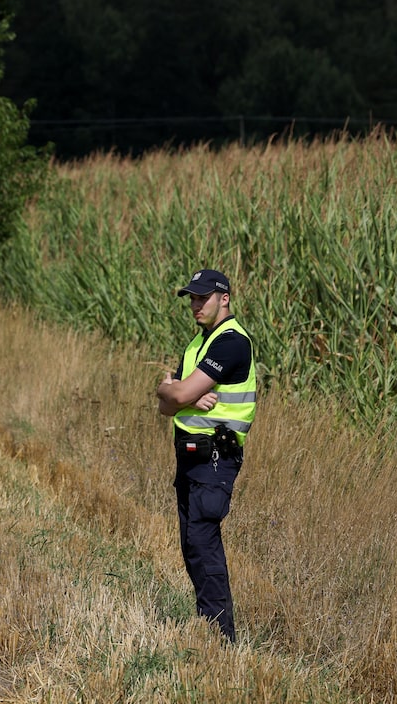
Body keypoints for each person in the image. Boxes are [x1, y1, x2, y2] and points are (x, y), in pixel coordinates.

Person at [155, 269, 256, 643]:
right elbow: (166, 403)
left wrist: (178, 392)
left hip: (216, 456)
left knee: (202, 541)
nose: (196, 305)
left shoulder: (231, 342)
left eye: (203, 298)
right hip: (189, 456)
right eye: (192, 299)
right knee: (191, 544)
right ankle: (209, 627)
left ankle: (220, 638)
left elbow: (176, 395)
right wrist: (175, 393)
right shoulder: (198, 344)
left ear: (224, 298)